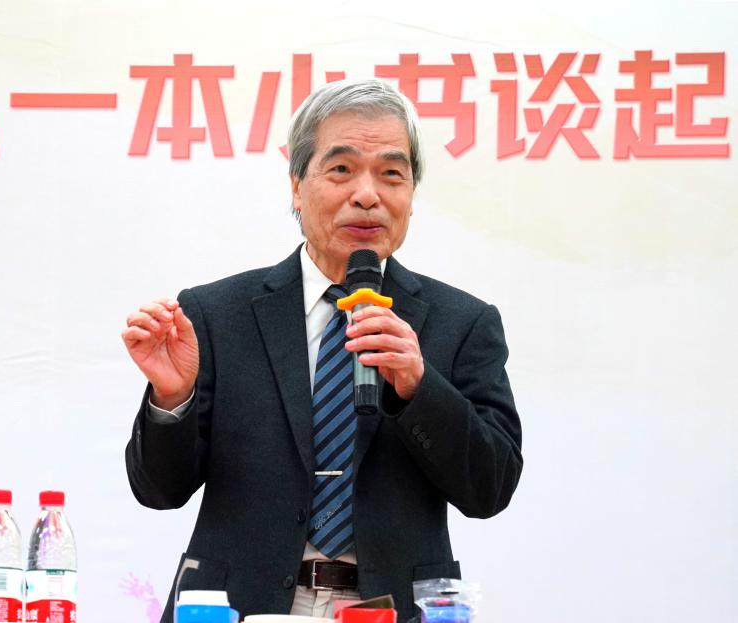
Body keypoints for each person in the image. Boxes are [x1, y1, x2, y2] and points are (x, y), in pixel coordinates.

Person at [123, 79, 522, 623]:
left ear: (411, 195)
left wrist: (419, 388)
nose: (367, 195)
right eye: (341, 169)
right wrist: (173, 399)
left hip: (394, 607)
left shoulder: (463, 322)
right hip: (236, 608)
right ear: (296, 186)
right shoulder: (216, 313)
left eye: (391, 174)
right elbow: (159, 491)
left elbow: (490, 489)